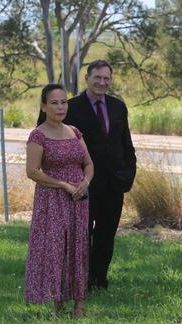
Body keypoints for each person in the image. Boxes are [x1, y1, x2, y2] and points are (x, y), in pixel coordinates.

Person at [39, 60, 137, 290]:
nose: (102, 82)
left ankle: (98, 280)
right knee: (80, 235)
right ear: (87, 78)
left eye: (106, 78)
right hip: (80, 184)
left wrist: (128, 172)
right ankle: (79, 280)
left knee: (105, 235)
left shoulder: (118, 107)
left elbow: (126, 144)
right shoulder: (69, 106)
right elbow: (44, 135)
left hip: (114, 183)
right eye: (98, 78)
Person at [25, 84, 94, 318]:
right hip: (52, 199)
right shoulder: (38, 135)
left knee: (78, 247)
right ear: (44, 106)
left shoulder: (74, 131)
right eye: (54, 102)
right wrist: (64, 185)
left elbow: (88, 163)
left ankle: (80, 306)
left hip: (78, 199)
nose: (60, 107)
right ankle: (58, 303)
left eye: (63, 102)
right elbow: (33, 171)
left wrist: (84, 182)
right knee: (57, 249)